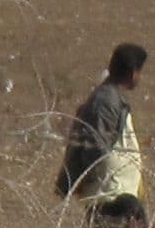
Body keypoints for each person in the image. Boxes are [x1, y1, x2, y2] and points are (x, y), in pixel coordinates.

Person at [58, 43, 150, 204]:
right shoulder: (106, 101)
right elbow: (95, 147)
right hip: (110, 194)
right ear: (133, 73)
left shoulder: (111, 98)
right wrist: (87, 180)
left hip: (116, 191)